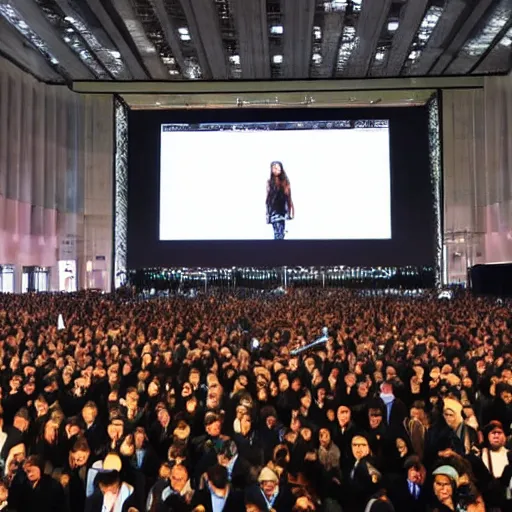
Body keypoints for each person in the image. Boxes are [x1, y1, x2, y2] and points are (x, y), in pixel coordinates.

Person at [266, 161, 294, 240]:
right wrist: (268, 214)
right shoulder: (269, 182)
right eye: (274, 168)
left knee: (281, 231)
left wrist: (290, 210)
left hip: (282, 210)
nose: (276, 169)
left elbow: (288, 197)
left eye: (278, 167)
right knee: (277, 231)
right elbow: (268, 199)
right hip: (274, 211)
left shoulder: (285, 182)